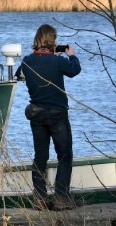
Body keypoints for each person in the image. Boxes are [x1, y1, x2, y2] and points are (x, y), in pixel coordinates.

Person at [15, 24, 81, 210]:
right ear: (52, 40)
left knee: (40, 157)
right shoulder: (58, 61)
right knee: (65, 155)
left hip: (37, 115)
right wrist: (71, 55)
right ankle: (61, 198)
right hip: (57, 115)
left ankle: (40, 199)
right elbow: (74, 70)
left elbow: (19, 75)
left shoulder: (27, 61)